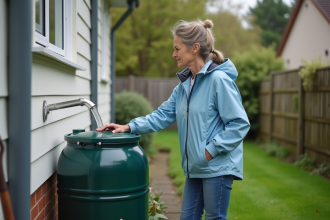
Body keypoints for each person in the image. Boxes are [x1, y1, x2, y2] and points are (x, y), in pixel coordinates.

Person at [96, 19, 250, 220]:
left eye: (177, 48)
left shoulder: (218, 81)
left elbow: (239, 123)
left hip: (216, 168)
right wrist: (128, 126)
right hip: (195, 167)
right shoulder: (186, 85)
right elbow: (162, 115)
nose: (173, 54)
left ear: (194, 48)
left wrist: (210, 151)